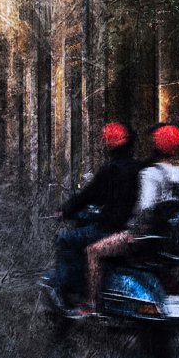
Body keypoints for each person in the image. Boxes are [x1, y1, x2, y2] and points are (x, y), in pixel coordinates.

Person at [79, 123, 179, 317]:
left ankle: (92, 304)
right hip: (166, 245)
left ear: (155, 145)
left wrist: (134, 232)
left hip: (143, 239)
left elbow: (145, 208)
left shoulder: (150, 174)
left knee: (93, 252)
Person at [53, 122, 141, 309]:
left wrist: (65, 210)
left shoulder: (111, 169)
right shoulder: (138, 169)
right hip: (129, 230)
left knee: (65, 239)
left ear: (110, 143)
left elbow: (89, 194)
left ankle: (79, 294)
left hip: (110, 229)